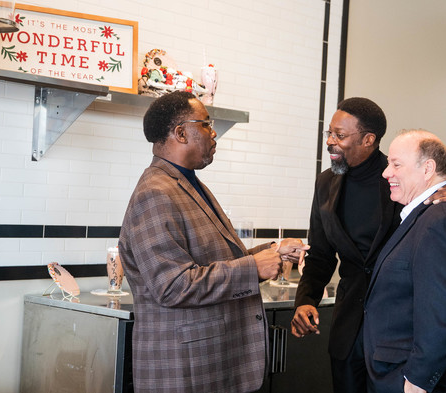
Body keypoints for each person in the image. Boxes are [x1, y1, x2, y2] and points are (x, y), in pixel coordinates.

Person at [291, 97, 446, 392]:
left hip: (399, 335)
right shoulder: (325, 184)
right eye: (329, 134)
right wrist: (306, 299)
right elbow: (320, 253)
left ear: (368, 139)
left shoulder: (401, 181)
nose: (331, 142)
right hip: (349, 327)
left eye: (340, 136)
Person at [118, 91, 309, 393]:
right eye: (205, 124)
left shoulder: (188, 183)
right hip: (184, 371)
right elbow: (172, 286)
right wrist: (253, 269)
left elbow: (215, 260)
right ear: (180, 133)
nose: (213, 131)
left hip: (212, 364)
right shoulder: (155, 193)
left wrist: (273, 251)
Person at [364, 130, 446, 393]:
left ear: (427, 168)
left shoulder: (440, 221)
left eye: (396, 164)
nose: (386, 173)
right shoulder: (426, 216)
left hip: (412, 381)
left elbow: (443, 315)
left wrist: (415, 382)